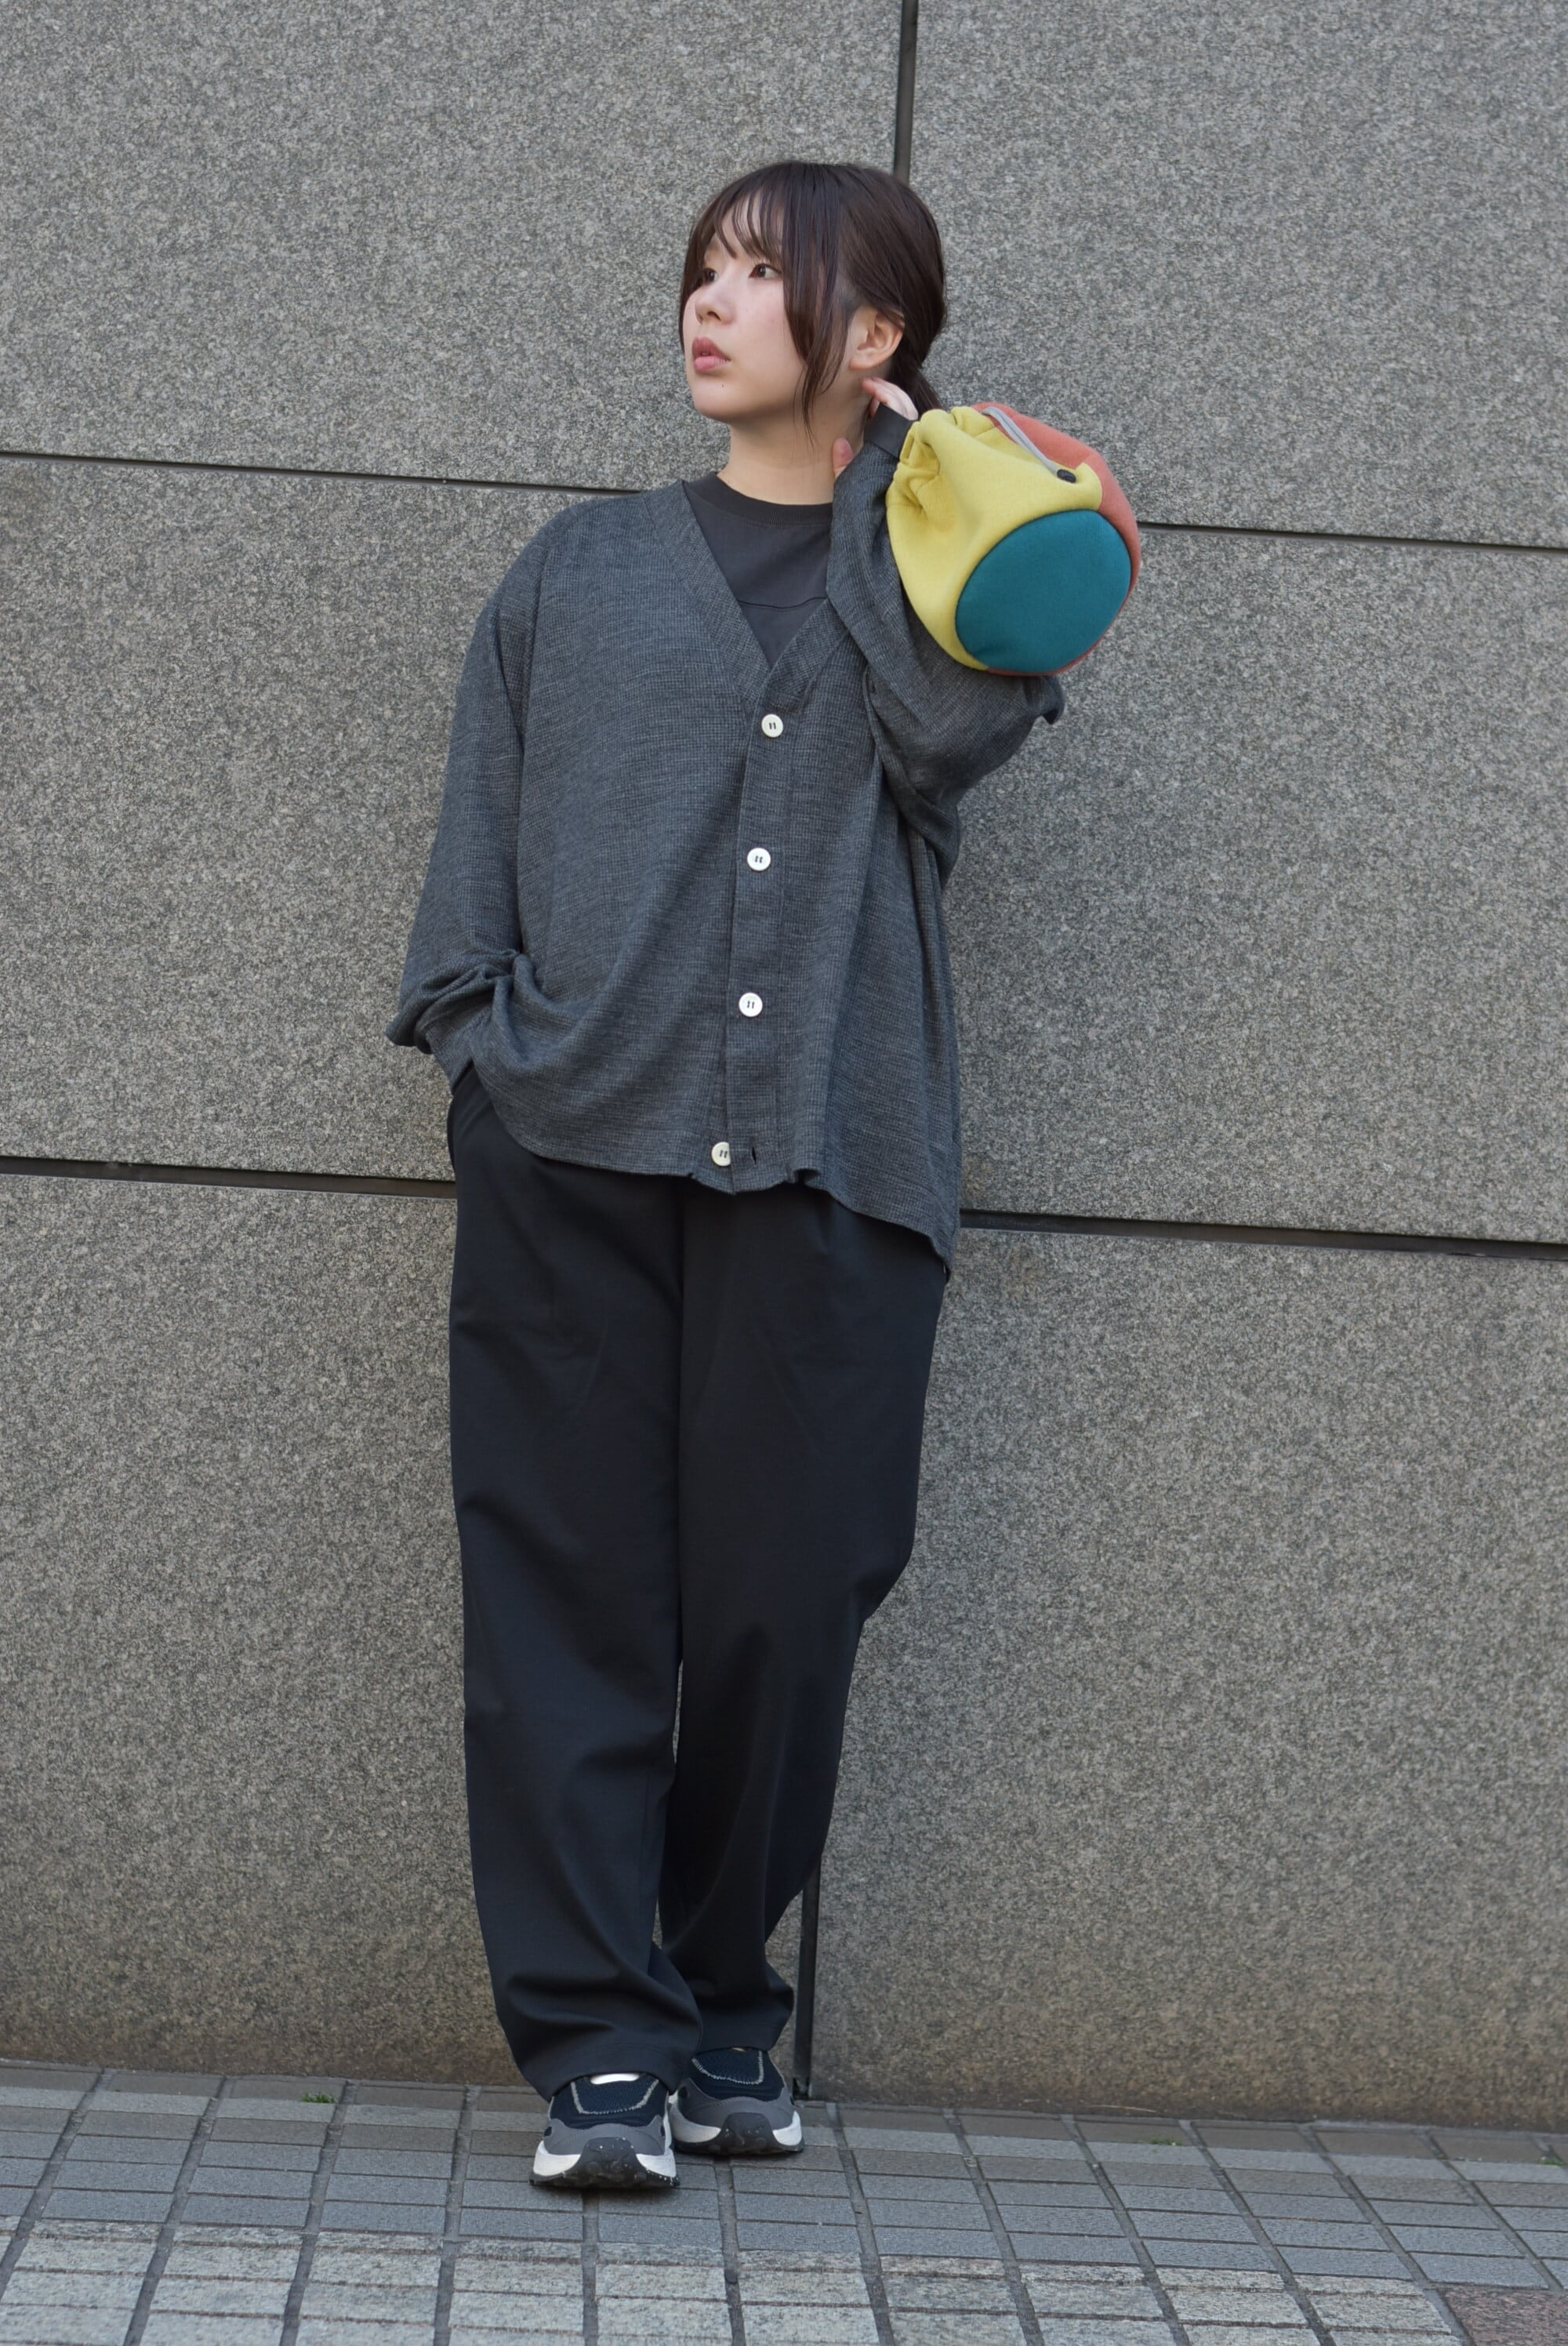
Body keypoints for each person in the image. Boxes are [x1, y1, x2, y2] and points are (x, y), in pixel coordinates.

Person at [387, 158, 1064, 2190]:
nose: (707, 303)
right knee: (567, 1603)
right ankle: (603, 2048)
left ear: (872, 331)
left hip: (834, 1168)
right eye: (702, 268)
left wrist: (911, 482)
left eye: (763, 276)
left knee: (789, 1610)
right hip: (568, 1152)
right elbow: (477, 845)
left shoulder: (941, 581)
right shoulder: (577, 571)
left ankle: (706, 1990)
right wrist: (486, 1045)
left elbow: (953, 737)